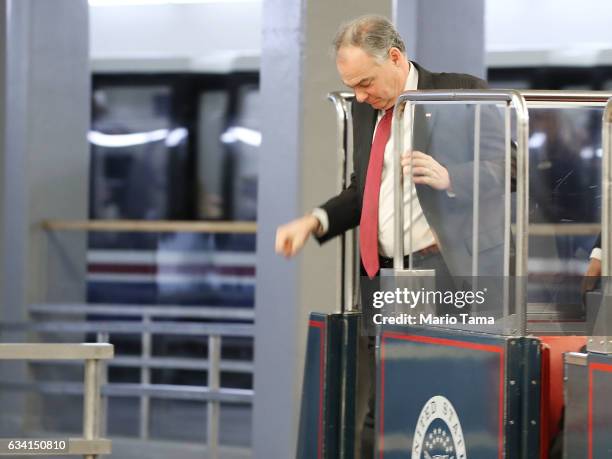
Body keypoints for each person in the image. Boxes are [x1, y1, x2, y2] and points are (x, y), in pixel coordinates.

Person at [275, 15, 508, 458]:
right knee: (382, 401)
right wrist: (314, 221)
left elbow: (511, 169)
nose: (360, 96)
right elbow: (362, 191)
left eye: (365, 82)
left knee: (450, 396)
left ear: (396, 58)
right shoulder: (366, 111)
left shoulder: (462, 93)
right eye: (353, 86)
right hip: (386, 276)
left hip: (448, 271)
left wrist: (451, 175)